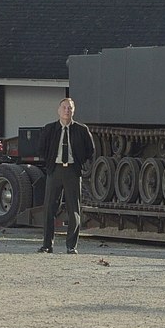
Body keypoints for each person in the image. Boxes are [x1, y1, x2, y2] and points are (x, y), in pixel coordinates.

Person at [37, 98, 95, 254]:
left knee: (73, 209)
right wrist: (49, 164)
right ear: (58, 110)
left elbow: (90, 150)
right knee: (49, 208)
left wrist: (80, 165)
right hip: (55, 170)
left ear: (73, 111)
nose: (67, 111)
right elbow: (41, 148)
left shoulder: (81, 130)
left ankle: (71, 246)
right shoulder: (49, 129)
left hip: (72, 171)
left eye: (70, 108)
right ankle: (47, 245)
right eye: (64, 107)